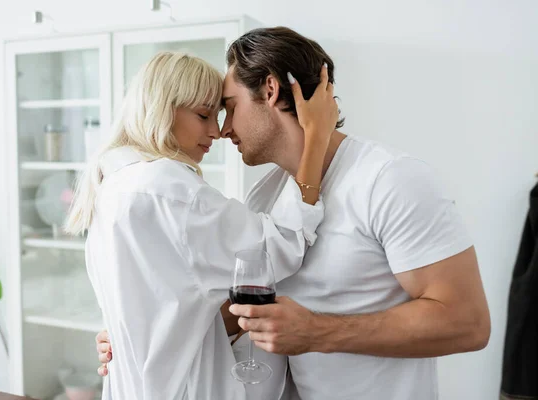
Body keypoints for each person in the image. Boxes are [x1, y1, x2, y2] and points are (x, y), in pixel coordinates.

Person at [96, 27, 491, 400]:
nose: (223, 129)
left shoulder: (390, 180)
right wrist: (143, 334)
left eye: (229, 108)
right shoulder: (265, 197)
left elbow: (467, 323)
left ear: (269, 90)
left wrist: (318, 332)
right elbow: (246, 314)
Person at [64, 51, 338, 400]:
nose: (217, 131)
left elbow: (168, 302)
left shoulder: (115, 184)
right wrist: (317, 137)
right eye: (204, 115)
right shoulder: (168, 188)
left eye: (221, 114)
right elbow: (280, 245)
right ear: (163, 108)